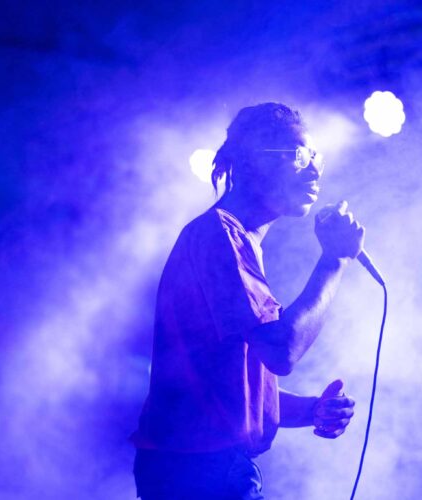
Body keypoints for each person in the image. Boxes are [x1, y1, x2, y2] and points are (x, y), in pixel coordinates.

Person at [132, 102, 363, 499]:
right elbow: (282, 351)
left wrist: (311, 410)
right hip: (199, 470)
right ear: (256, 160)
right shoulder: (219, 236)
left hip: (197, 466)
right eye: (300, 156)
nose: (315, 171)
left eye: (317, 159)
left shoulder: (233, 240)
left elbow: (223, 388)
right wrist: (334, 259)